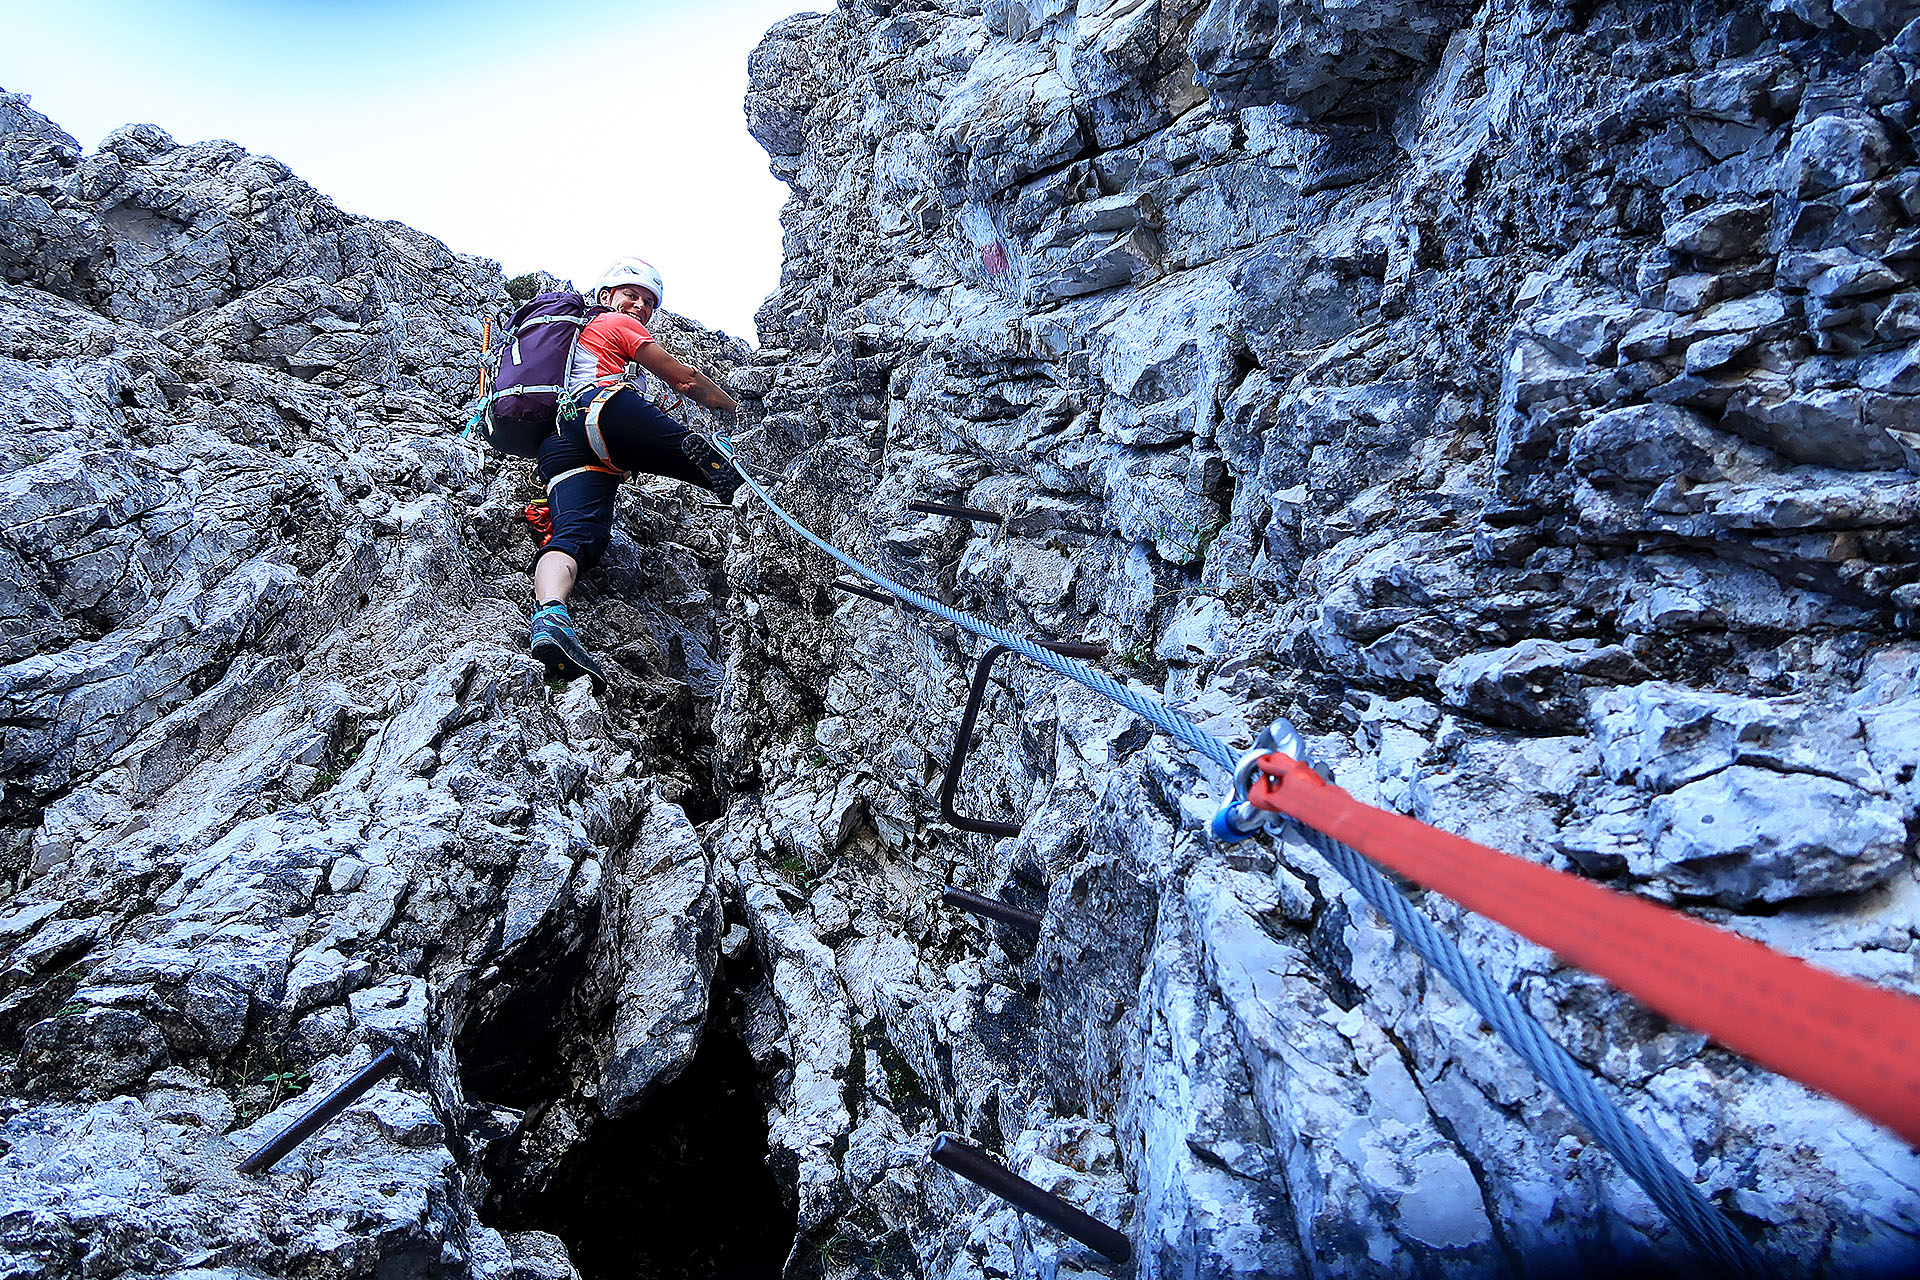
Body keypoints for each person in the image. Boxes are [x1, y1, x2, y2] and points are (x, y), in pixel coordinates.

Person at [527, 256, 741, 686]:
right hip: (604, 410)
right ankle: (747, 489)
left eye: (648, 302)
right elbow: (684, 379)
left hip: (561, 442)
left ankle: (550, 617)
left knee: (577, 536)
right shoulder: (612, 322)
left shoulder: (570, 346)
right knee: (705, 462)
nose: (640, 306)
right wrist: (736, 406)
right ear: (607, 297)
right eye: (632, 294)